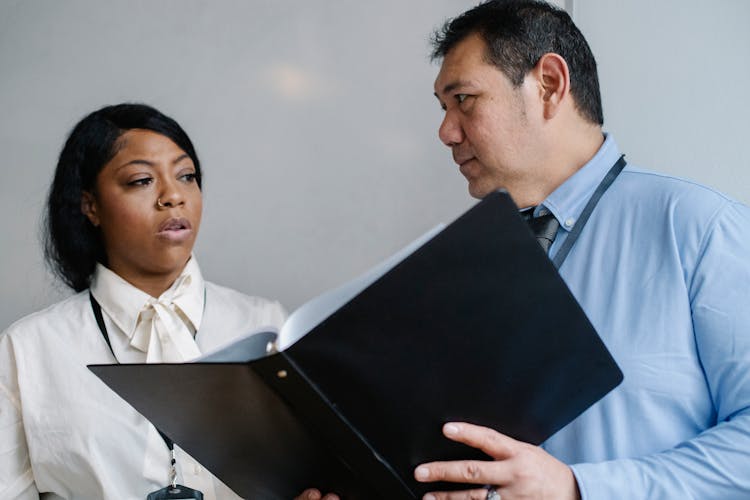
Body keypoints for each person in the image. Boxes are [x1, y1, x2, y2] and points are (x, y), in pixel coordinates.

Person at [408, 1, 750, 499]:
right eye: (444, 108)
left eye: (464, 99)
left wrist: (578, 489)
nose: (446, 132)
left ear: (548, 84)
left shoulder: (699, 228)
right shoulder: (458, 264)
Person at [0, 103, 287, 499]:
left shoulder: (265, 324)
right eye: (140, 180)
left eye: (187, 176)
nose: (173, 196)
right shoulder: (28, 350)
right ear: (91, 205)